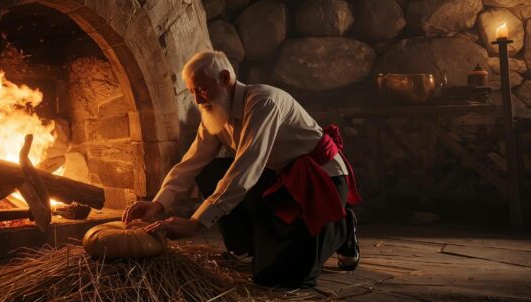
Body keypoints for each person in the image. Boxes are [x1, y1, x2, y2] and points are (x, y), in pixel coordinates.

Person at [123, 50, 362, 288]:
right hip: (279, 179)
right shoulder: (214, 112)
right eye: (192, 91)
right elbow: (191, 162)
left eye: (202, 89)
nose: (197, 101)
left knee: (285, 280)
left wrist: (195, 223)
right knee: (210, 172)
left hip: (320, 180)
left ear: (225, 79)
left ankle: (341, 227)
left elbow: (246, 167)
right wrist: (158, 203)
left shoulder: (263, 102)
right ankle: (248, 247)